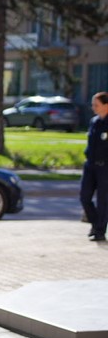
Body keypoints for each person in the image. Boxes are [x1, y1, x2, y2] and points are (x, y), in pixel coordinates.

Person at [79, 91, 108, 242]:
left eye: (96, 105)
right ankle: (96, 223)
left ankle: (100, 230)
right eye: (93, 105)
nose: (93, 107)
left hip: (105, 167)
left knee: (103, 201)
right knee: (84, 197)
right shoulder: (94, 122)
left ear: (106, 105)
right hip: (90, 166)